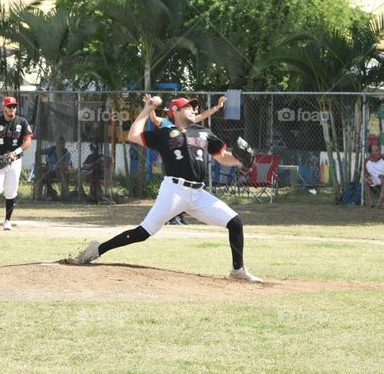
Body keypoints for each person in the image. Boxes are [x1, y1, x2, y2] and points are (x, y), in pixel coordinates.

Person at [73, 95, 262, 282]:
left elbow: (223, 157)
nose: (194, 109)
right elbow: (133, 135)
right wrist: (147, 109)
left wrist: (239, 160)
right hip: (174, 191)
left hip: (198, 193)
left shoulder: (204, 132)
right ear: (175, 111)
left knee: (235, 222)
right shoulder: (164, 134)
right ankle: (97, 249)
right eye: (188, 107)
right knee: (144, 232)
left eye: (194, 107)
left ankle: (238, 270)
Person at [147, 95, 227, 225]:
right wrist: (151, 108)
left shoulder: (189, 124)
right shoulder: (166, 123)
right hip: (172, 162)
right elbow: (154, 119)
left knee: (186, 186)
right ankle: (170, 217)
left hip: (186, 162)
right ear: (175, 112)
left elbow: (203, 115)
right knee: (175, 188)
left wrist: (217, 107)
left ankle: (179, 215)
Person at [0, 95, 33, 230]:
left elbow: (28, 141)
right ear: (4, 108)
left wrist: (15, 152)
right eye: (9, 106)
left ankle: (7, 220)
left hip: (15, 161)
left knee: (11, 191)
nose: (12, 109)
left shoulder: (22, 122)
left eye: (14, 107)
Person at [363, 143, 384, 207]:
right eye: (376, 151)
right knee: (365, 181)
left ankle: (379, 203)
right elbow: (365, 173)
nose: (379, 152)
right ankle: (371, 203)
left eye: (379, 150)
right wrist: (367, 177)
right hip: (374, 180)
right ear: (371, 153)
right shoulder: (366, 161)